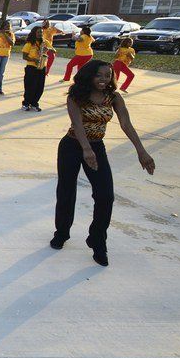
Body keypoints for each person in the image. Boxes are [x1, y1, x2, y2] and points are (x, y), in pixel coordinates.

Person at [51, 60, 155, 266]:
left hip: (97, 147)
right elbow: (77, 124)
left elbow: (126, 124)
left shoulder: (113, 98)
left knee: (105, 196)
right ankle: (62, 233)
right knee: (66, 190)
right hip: (72, 147)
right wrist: (86, 150)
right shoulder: (76, 96)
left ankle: (97, 240)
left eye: (108, 75)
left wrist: (141, 151)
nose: (104, 79)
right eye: (99, 75)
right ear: (89, 76)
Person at [21, 26, 48, 112]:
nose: (40, 34)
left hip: (41, 67)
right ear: (34, 33)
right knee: (30, 87)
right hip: (31, 67)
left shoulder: (43, 42)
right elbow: (24, 56)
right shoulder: (29, 43)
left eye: (41, 32)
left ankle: (34, 103)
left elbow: (51, 51)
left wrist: (45, 51)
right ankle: (26, 104)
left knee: (39, 87)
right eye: (38, 32)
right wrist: (34, 59)